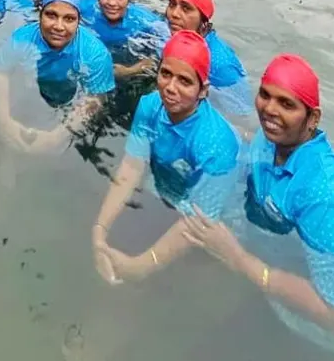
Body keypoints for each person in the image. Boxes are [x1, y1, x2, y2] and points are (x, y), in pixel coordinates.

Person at [183, 54, 334, 350]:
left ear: (313, 119)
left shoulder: (325, 200)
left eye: (287, 104)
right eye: (265, 95)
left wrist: (238, 259)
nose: (269, 110)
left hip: (318, 332)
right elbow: (250, 142)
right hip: (275, 259)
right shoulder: (274, 138)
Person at [92, 30, 240, 284]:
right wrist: (99, 231)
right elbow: (131, 167)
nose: (170, 88)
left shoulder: (216, 142)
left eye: (184, 81)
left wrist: (141, 266)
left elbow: (198, 222)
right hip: (167, 191)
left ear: (203, 90)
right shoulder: (151, 104)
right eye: (166, 74)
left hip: (215, 218)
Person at [0, 0, 115, 153]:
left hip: (68, 98)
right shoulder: (22, 38)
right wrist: (3, 118)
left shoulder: (95, 54)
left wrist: (59, 135)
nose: (59, 26)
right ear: (40, 13)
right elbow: (0, 72)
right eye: (51, 15)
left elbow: (95, 97)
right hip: (31, 90)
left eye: (69, 19)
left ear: (79, 21)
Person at [162, 0, 253, 118]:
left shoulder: (221, 64)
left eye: (186, 8)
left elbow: (242, 114)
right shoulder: (171, 33)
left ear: (203, 22)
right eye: (172, 4)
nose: (174, 13)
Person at [82, 0, 168, 81]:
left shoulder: (144, 21)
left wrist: (131, 71)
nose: (112, 3)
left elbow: (167, 51)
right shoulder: (84, 10)